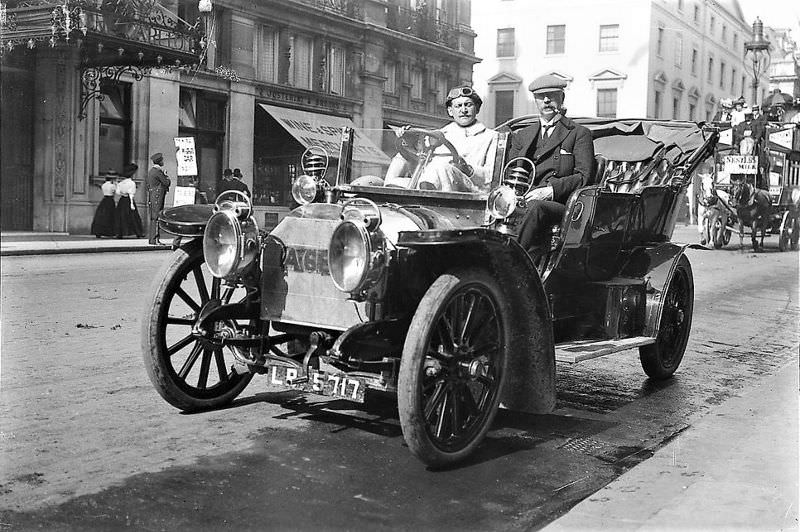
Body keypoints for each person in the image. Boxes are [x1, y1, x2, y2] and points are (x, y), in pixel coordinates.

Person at [506, 74, 595, 256]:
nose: (546, 100)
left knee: (536, 207)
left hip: (560, 205)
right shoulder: (522, 136)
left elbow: (584, 177)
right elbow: (509, 171)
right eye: (540, 96)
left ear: (561, 98)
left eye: (552, 95)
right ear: (535, 101)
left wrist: (548, 191)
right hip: (523, 199)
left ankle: (510, 261)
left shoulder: (579, 133)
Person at [390, 86, 497, 192]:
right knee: (399, 162)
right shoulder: (439, 134)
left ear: (477, 108)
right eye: (458, 106)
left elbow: (492, 176)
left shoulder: (490, 136)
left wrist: (468, 169)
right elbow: (421, 161)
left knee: (442, 166)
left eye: (468, 105)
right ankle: (386, 197)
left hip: (468, 191)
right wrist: (408, 142)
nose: (463, 110)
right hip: (433, 184)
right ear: (450, 111)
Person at [146, 152, 171, 244]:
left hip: (153, 196)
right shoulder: (158, 172)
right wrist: (166, 176)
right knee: (157, 217)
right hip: (157, 196)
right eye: (162, 160)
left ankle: (152, 239)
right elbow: (166, 183)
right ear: (159, 161)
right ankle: (155, 239)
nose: (163, 162)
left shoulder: (151, 171)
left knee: (153, 217)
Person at [115, 163, 144, 238]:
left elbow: (117, 192)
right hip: (128, 200)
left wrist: (122, 192)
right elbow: (131, 194)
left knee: (121, 216)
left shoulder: (120, 183)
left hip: (122, 200)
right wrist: (131, 204)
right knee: (133, 217)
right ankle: (138, 232)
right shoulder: (132, 183)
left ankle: (120, 233)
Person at [90, 170, 119, 238]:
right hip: (110, 200)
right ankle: (110, 232)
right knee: (110, 215)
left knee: (101, 216)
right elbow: (117, 192)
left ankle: (99, 231)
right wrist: (116, 184)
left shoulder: (104, 185)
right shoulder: (112, 186)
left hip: (104, 200)